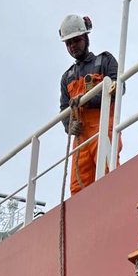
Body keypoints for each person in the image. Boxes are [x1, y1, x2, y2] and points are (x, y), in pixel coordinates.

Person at [59, 14, 119, 194]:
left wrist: (86, 99)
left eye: (76, 40)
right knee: (78, 190)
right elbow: (64, 109)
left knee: (109, 175)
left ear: (86, 38)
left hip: (102, 129)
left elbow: (118, 88)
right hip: (80, 139)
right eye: (68, 43)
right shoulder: (67, 77)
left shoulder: (105, 61)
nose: (72, 46)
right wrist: (69, 126)